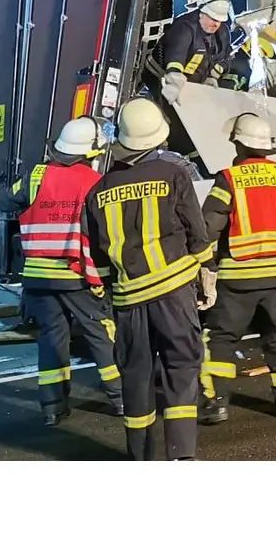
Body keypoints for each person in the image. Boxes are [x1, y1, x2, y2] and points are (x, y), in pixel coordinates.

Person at [81, 98, 212, 461]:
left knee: (136, 378)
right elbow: (196, 231)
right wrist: (207, 272)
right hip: (172, 293)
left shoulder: (98, 191)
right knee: (181, 368)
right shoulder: (174, 174)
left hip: (128, 300)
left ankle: (141, 458)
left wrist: (110, 290)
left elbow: (98, 254)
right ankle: (181, 455)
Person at [0, 118, 124, 426]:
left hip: (38, 277)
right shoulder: (95, 180)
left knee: (52, 339)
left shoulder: (36, 174)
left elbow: (7, 200)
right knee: (100, 335)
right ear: (92, 149)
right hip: (78, 275)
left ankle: (53, 408)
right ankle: (121, 398)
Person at [198, 112, 276, 425]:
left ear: (239, 145)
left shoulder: (229, 179)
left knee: (221, 338)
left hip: (239, 276)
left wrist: (205, 263)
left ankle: (217, 403)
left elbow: (209, 226)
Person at [158, 0, 233, 103]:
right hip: (164, 80)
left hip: (194, 86)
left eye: (219, 20)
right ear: (201, 13)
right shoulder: (185, 27)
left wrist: (211, 77)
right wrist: (173, 82)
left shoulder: (222, 33)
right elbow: (176, 55)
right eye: (213, 18)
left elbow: (225, 57)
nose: (216, 24)